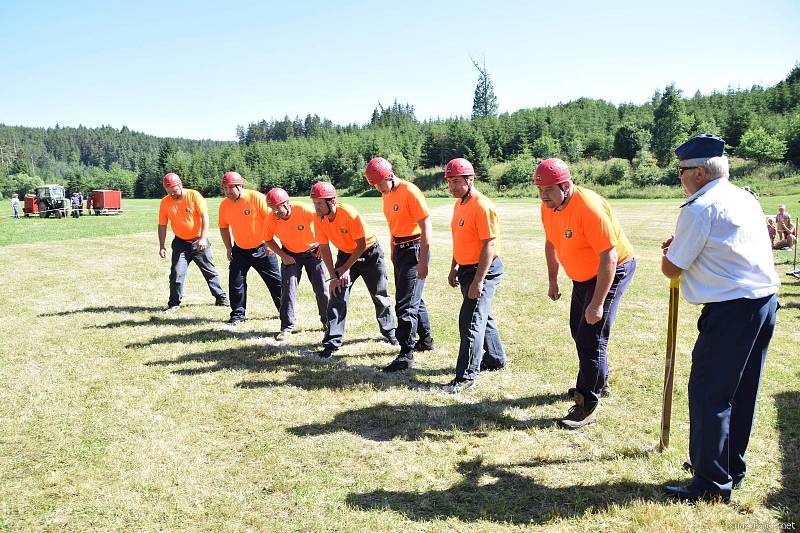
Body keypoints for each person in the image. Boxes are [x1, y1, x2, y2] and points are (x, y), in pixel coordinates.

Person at [661, 134, 779, 504]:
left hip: (731, 310)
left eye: (681, 171)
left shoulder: (699, 208)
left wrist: (671, 250)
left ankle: (711, 483)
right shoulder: (743, 197)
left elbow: (672, 267)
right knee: (741, 392)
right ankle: (726, 465)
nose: (679, 177)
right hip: (763, 303)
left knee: (710, 394)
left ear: (698, 173)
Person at [535, 157, 636, 429]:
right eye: (540, 190)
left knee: (592, 335)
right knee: (578, 331)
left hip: (612, 270)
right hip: (583, 276)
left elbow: (609, 258)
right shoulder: (549, 207)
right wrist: (553, 279)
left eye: (549, 190)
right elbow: (551, 243)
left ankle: (586, 404)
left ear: (566, 185)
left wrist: (597, 303)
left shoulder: (588, 207)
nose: (543, 196)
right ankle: (597, 380)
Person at [441, 158, 506, 394]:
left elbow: (489, 245)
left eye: (456, 181)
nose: (452, 187)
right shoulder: (460, 204)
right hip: (467, 269)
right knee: (482, 316)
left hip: (483, 270)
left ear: (470, 179)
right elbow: (461, 239)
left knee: (470, 322)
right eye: (449, 181)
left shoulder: (482, 206)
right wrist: (454, 266)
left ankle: (467, 376)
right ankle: (496, 358)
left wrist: (479, 280)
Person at [311, 181, 397, 359]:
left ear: (331, 202)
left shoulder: (348, 213)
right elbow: (324, 248)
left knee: (379, 295)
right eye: (314, 203)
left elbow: (360, 246)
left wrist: (344, 268)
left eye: (319, 203)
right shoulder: (318, 218)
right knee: (337, 295)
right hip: (345, 254)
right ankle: (332, 342)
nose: (316, 207)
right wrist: (334, 274)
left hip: (370, 252)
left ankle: (390, 332)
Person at [364, 157, 435, 372]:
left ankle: (406, 354)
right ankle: (427, 339)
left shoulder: (410, 191)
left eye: (378, 184)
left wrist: (423, 260)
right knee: (414, 297)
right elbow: (394, 226)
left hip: (415, 249)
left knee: (405, 304)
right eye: (373, 185)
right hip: (401, 249)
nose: (377, 189)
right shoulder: (386, 194)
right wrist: (393, 250)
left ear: (389, 176)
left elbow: (426, 226)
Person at [263, 187, 329, 341]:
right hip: (290, 254)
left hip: (312, 252)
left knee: (322, 289)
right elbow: (268, 239)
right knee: (288, 289)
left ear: (286, 203)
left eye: (277, 207)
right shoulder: (271, 218)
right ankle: (286, 327)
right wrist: (283, 255)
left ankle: (328, 323)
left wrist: (321, 245)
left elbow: (324, 223)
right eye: (272, 208)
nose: (275, 211)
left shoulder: (304, 210)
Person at [158, 172, 228, 313]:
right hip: (180, 243)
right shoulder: (165, 202)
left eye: (174, 190)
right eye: (169, 191)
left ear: (180, 185)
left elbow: (204, 217)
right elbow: (162, 225)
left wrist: (203, 238)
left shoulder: (193, 195)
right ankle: (174, 303)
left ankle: (221, 297)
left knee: (210, 271)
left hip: (199, 241)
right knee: (177, 273)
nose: (172, 194)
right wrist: (162, 246)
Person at [218, 171, 282, 326]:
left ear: (240, 186)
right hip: (239, 250)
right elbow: (223, 227)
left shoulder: (256, 198)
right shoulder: (224, 205)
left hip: (262, 248)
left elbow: (271, 220)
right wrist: (228, 248)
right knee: (236, 282)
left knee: (276, 283)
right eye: (225, 188)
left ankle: (285, 311)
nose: (227, 191)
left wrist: (269, 244)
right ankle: (238, 315)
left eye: (230, 188)